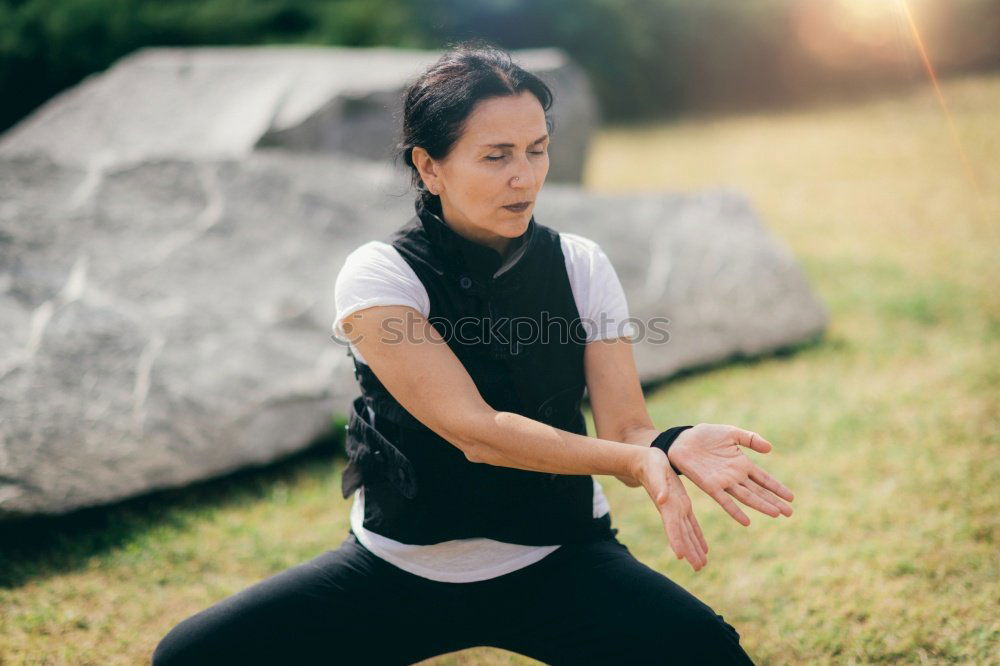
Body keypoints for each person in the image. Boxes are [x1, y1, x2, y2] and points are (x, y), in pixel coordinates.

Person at [152, 41, 795, 666]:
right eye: (496, 156)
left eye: (536, 150)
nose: (525, 176)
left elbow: (627, 428)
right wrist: (636, 460)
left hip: (560, 560)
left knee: (708, 656)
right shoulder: (379, 275)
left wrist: (668, 444)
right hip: (398, 572)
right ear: (429, 166)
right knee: (191, 657)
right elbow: (476, 432)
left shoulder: (580, 264)